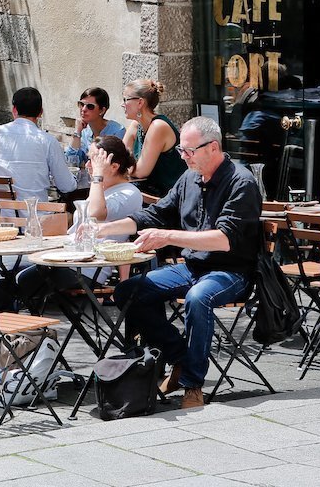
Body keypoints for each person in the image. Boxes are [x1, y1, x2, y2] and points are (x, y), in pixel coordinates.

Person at [100, 116, 261, 410]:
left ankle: (192, 384)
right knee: (128, 291)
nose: (183, 157)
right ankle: (178, 356)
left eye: (189, 151)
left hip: (231, 270)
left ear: (213, 148)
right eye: (181, 151)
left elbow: (224, 239)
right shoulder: (189, 177)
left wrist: (168, 236)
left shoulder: (241, 181)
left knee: (197, 298)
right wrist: (103, 228)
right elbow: (157, 214)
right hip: (193, 267)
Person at [15, 135, 143, 310]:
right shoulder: (101, 189)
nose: (88, 166)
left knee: (18, 277)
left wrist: (97, 177)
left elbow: (95, 214)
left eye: (93, 161)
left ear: (114, 167)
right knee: (6, 264)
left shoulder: (129, 193)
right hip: (67, 258)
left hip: (87, 268)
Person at [0, 87, 75, 202]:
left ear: (14, 110)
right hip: (37, 215)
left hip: (1, 215)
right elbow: (67, 186)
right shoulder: (48, 141)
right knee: (70, 215)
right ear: (40, 113)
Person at [123, 79, 183, 197]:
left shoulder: (158, 126)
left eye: (126, 99)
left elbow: (140, 172)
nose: (122, 104)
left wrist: (118, 169)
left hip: (168, 198)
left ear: (140, 103)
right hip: (146, 193)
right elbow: (117, 156)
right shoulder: (136, 125)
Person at [64, 87, 125, 195]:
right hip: (88, 184)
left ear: (102, 110)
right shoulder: (84, 131)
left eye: (90, 106)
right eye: (81, 104)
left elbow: (114, 164)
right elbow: (72, 160)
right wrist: (77, 132)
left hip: (109, 186)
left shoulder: (117, 131)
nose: (83, 109)